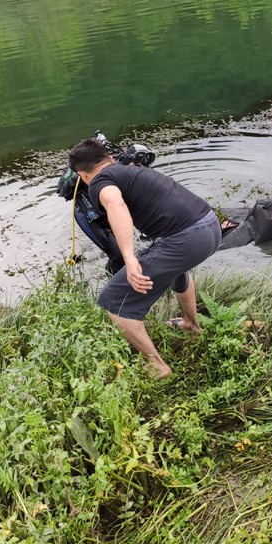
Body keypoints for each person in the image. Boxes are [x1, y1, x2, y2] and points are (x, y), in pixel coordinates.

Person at [68, 138, 222, 379]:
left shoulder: (100, 182)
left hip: (188, 238)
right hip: (211, 226)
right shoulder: (130, 171)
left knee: (114, 302)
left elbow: (115, 204)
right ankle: (192, 325)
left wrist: (130, 259)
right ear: (110, 158)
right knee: (177, 271)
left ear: (82, 175)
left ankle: (158, 367)